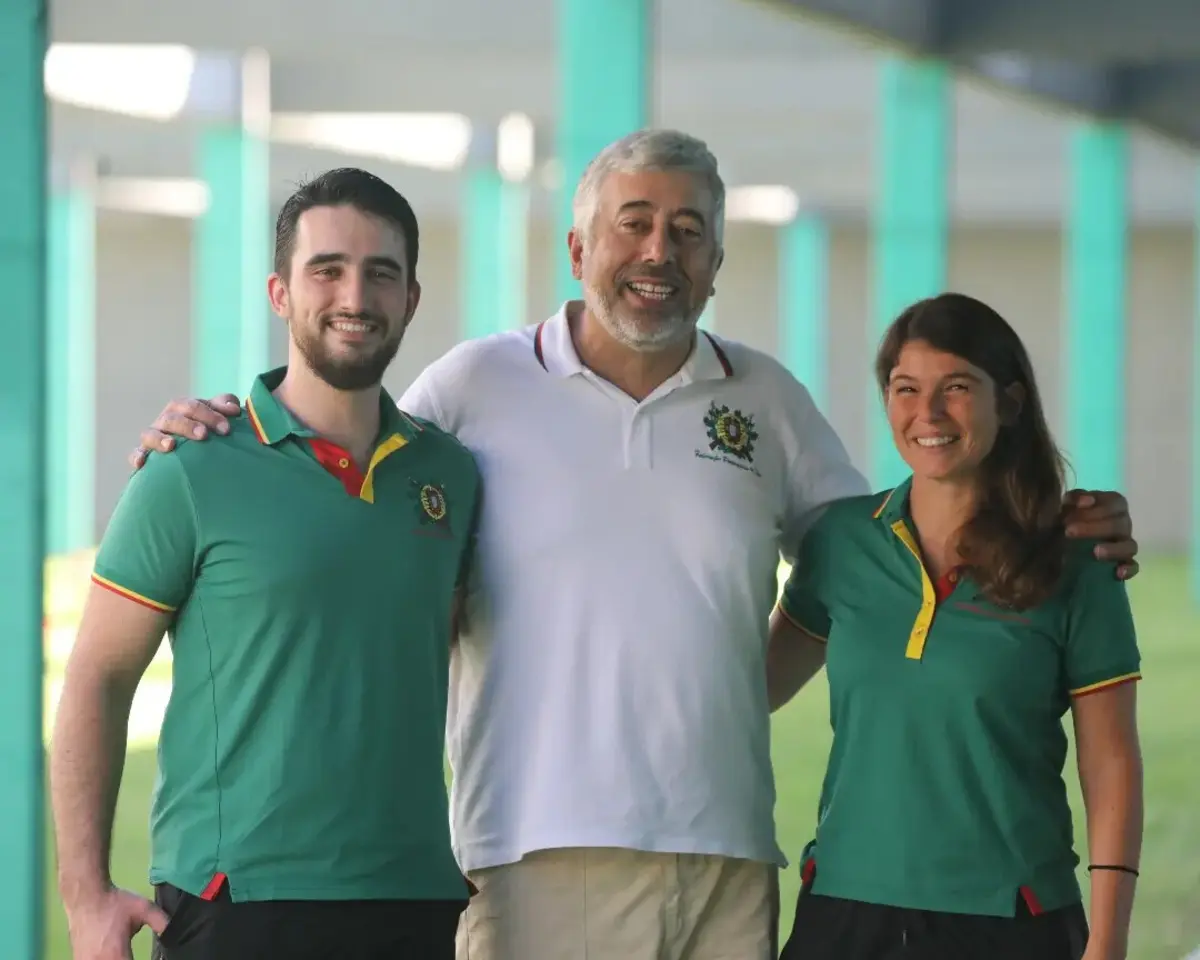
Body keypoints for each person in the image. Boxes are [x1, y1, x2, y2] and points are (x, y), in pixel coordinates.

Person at [127, 131, 1140, 960]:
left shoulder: (766, 398)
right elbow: (345, 462)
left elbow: (880, 555)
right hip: (536, 855)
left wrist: (1053, 517)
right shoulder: (474, 386)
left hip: (730, 860)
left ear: (715, 265)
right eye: (635, 223)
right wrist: (217, 428)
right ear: (578, 249)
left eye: (688, 231)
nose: (660, 250)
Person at [51, 168, 481, 960]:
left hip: (415, 896)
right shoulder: (191, 467)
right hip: (239, 903)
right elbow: (98, 677)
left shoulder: (449, 475)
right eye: (327, 270)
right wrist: (85, 897)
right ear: (280, 293)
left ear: (411, 298)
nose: (355, 296)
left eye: (380, 273)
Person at [769, 293, 1143, 960]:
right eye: (906, 388)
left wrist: (1108, 941)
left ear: (1011, 403)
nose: (929, 413)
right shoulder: (842, 542)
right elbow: (752, 688)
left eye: (958, 388)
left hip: (1009, 917)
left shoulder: (1077, 558)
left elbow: (1110, 761)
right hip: (845, 911)